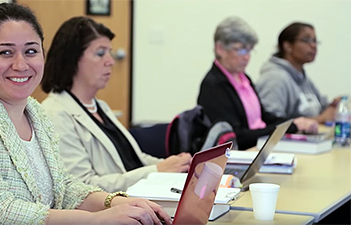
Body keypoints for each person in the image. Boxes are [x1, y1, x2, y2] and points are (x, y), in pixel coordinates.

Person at [0, 3, 172, 224]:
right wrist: (97, 220)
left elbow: (63, 187)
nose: (20, 64)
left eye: (31, 51)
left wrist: (117, 202)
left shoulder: (34, 111)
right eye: (5, 52)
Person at [41, 16, 191, 192]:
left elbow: (134, 159)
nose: (110, 61)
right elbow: (81, 188)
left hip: (137, 198)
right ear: (72, 59)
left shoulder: (100, 106)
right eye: (100, 53)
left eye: (109, 52)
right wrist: (157, 171)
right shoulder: (55, 113)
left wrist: (177, 166)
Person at [197, 17, 318, 150]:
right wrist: (291, 127)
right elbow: (237, 137)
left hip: (257, 148)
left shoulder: (243, 78)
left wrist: (293, 123)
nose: (247, 56)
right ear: (220, 48)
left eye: (250, 50)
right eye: (241, 50)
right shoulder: (214, 86)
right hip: (240, 154)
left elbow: (264, 117)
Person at [255, 22, 340, 124]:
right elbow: (271, 123)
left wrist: (333, 106)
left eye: (314, 41)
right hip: (285, 140)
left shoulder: (303, 77)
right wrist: (319, 120)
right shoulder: (275, 78)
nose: (313, 45)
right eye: (306, 40)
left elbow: (320, 109)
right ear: (287, 46)